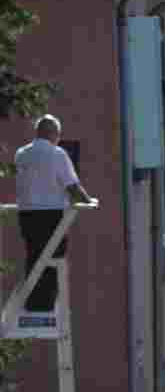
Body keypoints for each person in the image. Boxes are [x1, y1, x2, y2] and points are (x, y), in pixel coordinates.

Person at [13, 114, 94, 312]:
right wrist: (89, 201)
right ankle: (45, 305)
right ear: (53, 133)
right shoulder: (57, 154)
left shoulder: (21, 153)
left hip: (26, 214)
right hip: (50, 215)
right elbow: (72, 187)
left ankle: (32, 302)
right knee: (52, 258)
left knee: (33, 256)